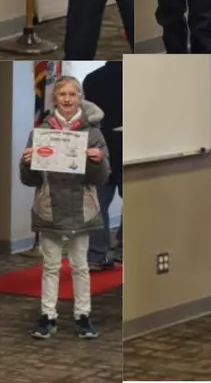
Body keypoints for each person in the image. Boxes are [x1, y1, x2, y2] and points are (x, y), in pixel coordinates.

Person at [20, 76, 109, 340]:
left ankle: (83, 315)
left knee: (81, 265)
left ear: (80, 97)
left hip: (81, 207)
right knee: (51, 266)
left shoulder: (93, 133)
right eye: (62, 94)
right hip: (50, 206)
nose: (68, 99)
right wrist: (27, 163)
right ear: (54, 98)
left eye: (73, 94)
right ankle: (48, 315)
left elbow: (102, 177)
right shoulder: (40, 133)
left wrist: (97, 161)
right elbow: (29, 180)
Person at [82, 62, 123, 269]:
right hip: (131, 149)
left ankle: (97, 255)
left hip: (100, 151)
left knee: (97, 206)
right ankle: (124, 250)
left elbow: (87, 119)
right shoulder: (141, 77)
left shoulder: (92, 78)